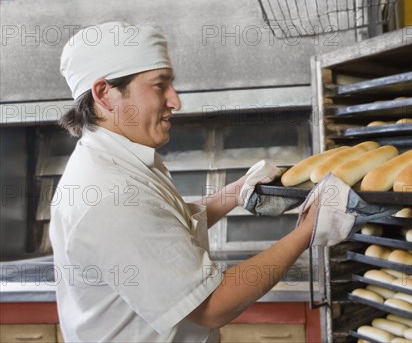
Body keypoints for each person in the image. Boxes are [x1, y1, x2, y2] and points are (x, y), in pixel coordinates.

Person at [49, 21, 333, 342]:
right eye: (160, 86)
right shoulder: (110, 192)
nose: (175, 101)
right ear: (105, 94)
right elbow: (212, 306)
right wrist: (307, 231)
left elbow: (166, 227)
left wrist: (236, 192)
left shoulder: (118, 161)